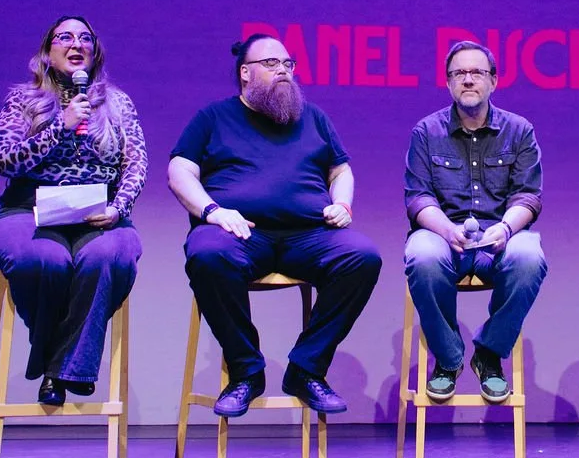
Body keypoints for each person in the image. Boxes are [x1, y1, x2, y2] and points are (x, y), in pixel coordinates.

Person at [167, 34, 381, 416]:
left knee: (362, 257)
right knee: (207, 254)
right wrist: (213, 211)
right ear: (245, 73)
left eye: (288, 64)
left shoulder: (313, 116)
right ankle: (246, 371)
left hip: (308, 234)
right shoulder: (213, 118)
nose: (283, 71)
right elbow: (179, 170)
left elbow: (341, 169)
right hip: (240, 233)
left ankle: (306, 367)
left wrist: (342, 203)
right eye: (271, 64)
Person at [0, 16, 145, 406]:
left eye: (85, 38)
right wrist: (60, 127)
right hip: (27, 209)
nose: (77, 44)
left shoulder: (117, 104)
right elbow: (5, 160)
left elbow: (136, 163)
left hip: (97, 212)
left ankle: (59, 370)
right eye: (65, 37)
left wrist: (119, 208)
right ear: (48, 53)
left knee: (107, 256)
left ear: (95, 52)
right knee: (46, 259)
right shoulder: (24, 98)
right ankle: (68, 363)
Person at [402, 40, 547, 404]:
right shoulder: (426, 131)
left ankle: (488, 353)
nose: (468, 80)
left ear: (493, 81)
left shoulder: (519, 130)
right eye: (458, 74)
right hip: (444, 237)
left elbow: (528, 196)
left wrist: (507, 228)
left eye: (476, 73)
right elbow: (418, 197)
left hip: (498, 239)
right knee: (421, 254)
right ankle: (449, 360)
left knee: (530, 256)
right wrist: (445, 229)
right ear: (449, 83)